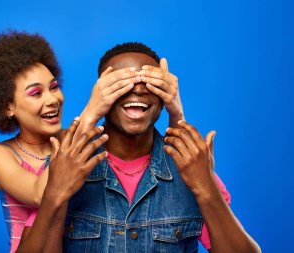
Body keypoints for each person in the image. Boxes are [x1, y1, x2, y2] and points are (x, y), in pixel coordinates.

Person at [17, 42, 261, 252]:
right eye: (121, 82)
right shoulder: (66, 164)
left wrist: (206, 187)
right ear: (100, 94)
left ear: (165, 96)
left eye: (151, 82)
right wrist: (56, 194)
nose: (138, 88)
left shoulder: (193, 168)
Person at [0, 30, 122, 252]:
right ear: (7, 106)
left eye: (53, 87)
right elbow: (41, 194)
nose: (52, 100)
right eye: (36, 93)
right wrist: (91, 112)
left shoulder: (73, 136)